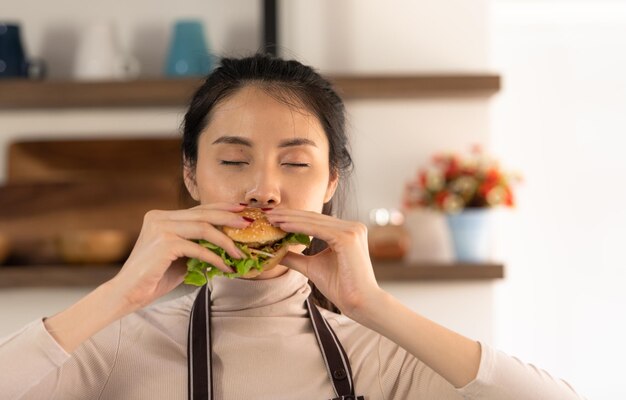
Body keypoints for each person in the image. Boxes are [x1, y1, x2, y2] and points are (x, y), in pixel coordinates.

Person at [0, 54, 585, 400]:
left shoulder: (381, 354)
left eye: (297, 162)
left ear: (330, 185)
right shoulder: (117, 342)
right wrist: (118, 296)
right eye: (233, 161)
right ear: (192, 177)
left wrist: (370, 304)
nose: (263, 189)